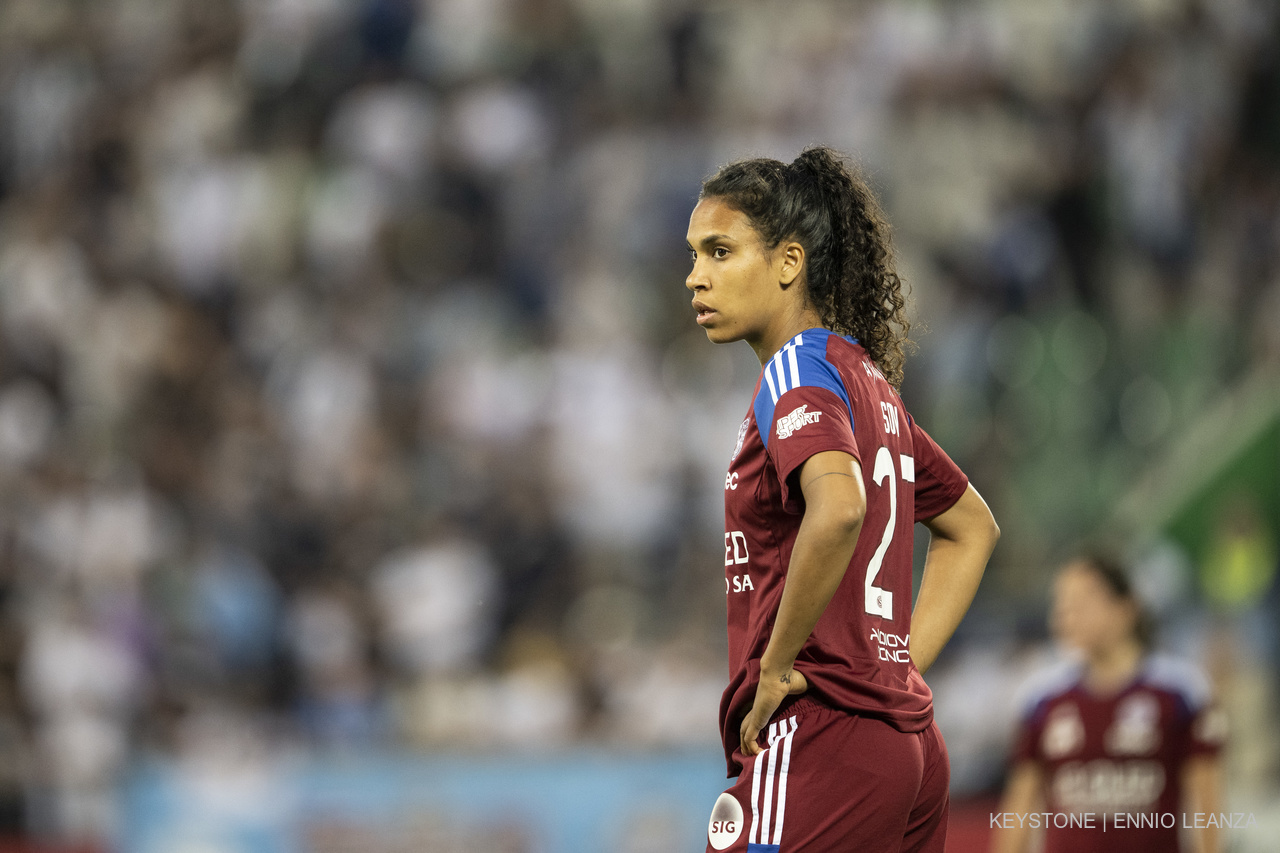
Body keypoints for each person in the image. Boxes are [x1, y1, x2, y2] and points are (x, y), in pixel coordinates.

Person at [687, 146, 1000, 853]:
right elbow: (971, 527)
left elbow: (839, 507)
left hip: (820, 734)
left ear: (789, 263)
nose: (695, 275)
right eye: (695, 254)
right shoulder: (866, 383)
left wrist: (775, 666)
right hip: (904, 742)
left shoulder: (796, 372)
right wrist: (894, 670)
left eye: (720, 251)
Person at [991, 554, 1226, 853]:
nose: (1065, 614)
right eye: (1061, 603)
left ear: (1126, 608)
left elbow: (1206, 806)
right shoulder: (1041, 700)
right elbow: (1020, 808)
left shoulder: (1182, 692)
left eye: (1081, 602)